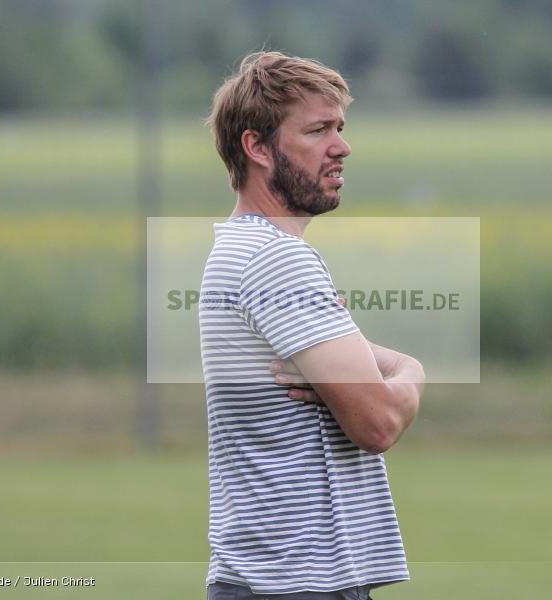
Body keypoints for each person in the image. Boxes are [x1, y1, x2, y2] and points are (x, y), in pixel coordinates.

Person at [200, 51, 425, 600]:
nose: (341, 147)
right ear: (256, 147)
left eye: (340, 128)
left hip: (264, 579)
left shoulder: (236, 250)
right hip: (300, 583)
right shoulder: (277, 259)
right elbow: (379, 423)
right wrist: (411, 370)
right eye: (318, 129)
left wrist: (349, 354)